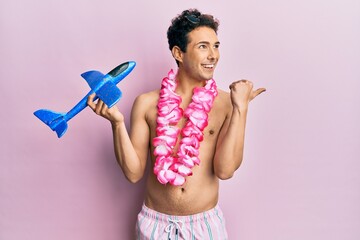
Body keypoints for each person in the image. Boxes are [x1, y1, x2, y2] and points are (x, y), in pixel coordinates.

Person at [87, 8, 265, 240]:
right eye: (203, 46)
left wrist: (241, 108)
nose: (213, 55)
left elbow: (226, 169)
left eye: (216, 46)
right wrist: (117, 124)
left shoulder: (226, 104)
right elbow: (133, 173)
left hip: (205, 225)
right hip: (155, 225)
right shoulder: (146, 103)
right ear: (178, 53)